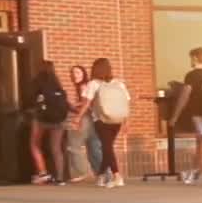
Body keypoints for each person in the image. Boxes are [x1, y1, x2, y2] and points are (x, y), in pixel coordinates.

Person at [167, 46, 202, 185]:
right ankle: (196, 170)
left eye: (191, 58)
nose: (190, 61)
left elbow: (185, 96)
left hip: (199, 113)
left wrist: (175, 116)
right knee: (201, 141)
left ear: (195, 58)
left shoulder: (191, 75)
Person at [79, 57, 131, 188]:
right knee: (107, 146)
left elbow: (87, 103)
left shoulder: (93, 84)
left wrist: (77, 117)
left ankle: (117, 176)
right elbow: (126, 102)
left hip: (101, 119)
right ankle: (101, 176)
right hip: (117, 119)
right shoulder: (119, 83)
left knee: (107, 147)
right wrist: (126, 121)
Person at [28, 60, 71, 184]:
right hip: (58, 120)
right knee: (56, 148)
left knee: (35, 144)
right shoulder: (57, 83)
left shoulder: (36, 82)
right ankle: (60, 178)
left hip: (41, 118)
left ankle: (43, 173)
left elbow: (31, 99)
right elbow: (65, 102)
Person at [64, 63, 98, 183]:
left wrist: (74, 109)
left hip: (85, 118)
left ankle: (81, 172)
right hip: (92, 118)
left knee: (74, 144)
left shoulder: (84, 86)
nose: (74, 75)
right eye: (72, 73)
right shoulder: (84, 86)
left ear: (84, 74)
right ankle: (101, 172)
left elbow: (86, 103)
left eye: (77, 73)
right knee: (93, 146)